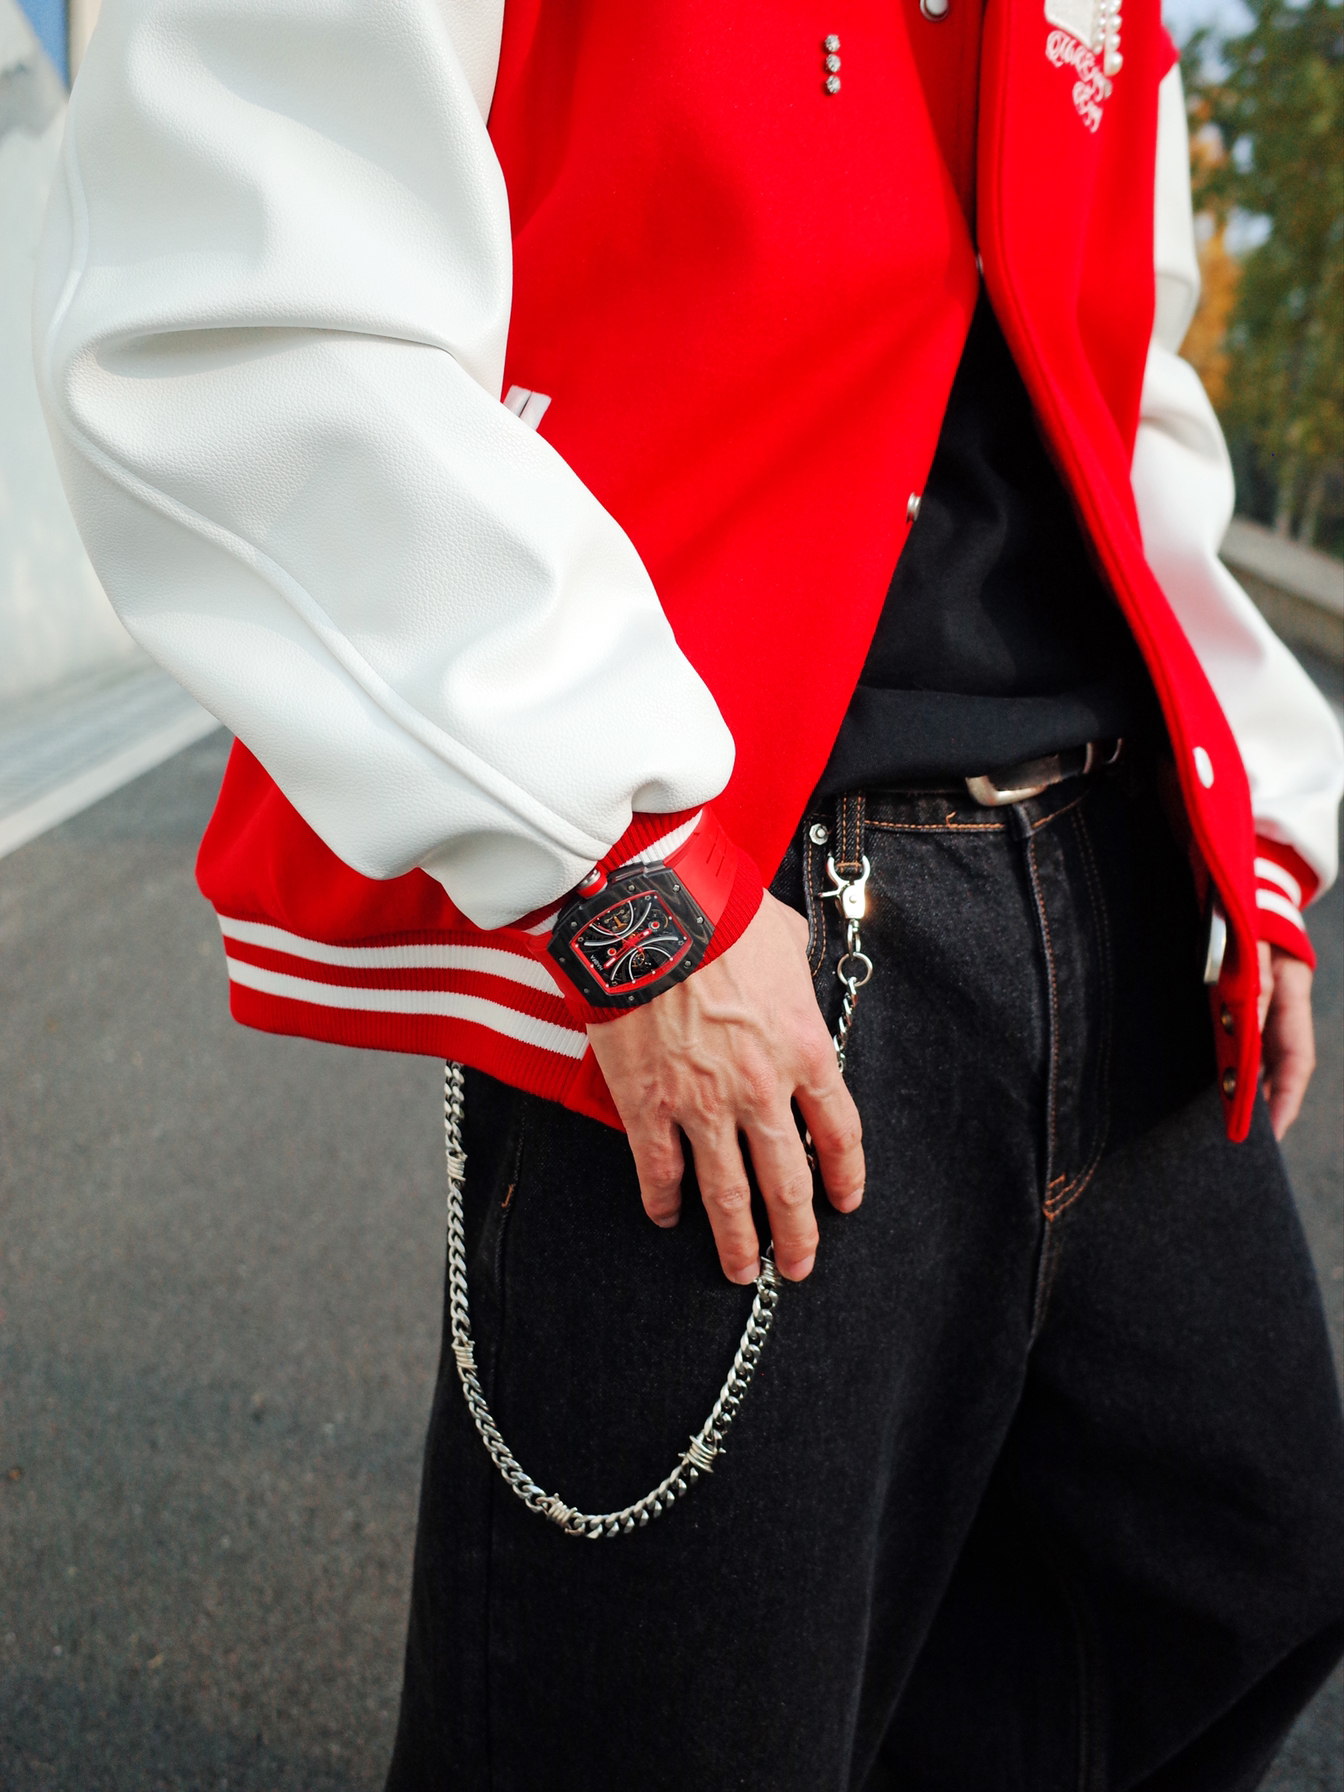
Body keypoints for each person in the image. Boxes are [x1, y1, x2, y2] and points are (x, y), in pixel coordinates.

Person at [35, 0, 1344, 1784]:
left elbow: (1124, 363)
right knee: (674, 1737)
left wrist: (1245, 810)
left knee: (1228, 1569)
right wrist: (625, 876)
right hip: (753, 913)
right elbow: (236, 304)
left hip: (1119, 859)